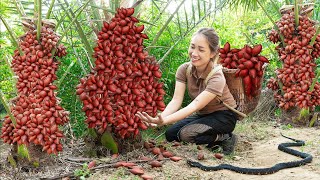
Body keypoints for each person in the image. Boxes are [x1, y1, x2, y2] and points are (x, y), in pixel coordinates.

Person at [136, 27, 238, 155]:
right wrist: (161, 118)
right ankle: (212, 138)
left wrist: (164, 121)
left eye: (201, 49)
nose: (194, 53)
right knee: (171, 134)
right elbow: (176, 100)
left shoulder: (217, 77)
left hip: (224, 116)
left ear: (212, 53)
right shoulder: (184, 69)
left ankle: (225, 137)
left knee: (186, 135)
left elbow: (195, 105)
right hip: (204, 115)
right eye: (192, 47)